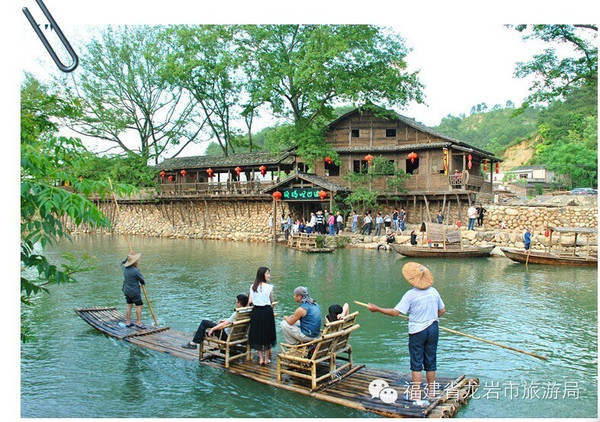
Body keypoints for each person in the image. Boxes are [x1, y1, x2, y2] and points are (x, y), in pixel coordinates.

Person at [367, 262, 446, 401]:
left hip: (418, 331)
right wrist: (430, 316)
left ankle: (416, 393)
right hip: (433, 328)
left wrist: (377, 308)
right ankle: (431, 391)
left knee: (416, 361)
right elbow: (442, 310)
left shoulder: (411, 295)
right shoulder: (434, 291)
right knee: (430, 359)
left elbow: (395, 312)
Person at [182, 294, 249, 349]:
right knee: (206, 328)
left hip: (226, 335)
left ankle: (193, 343)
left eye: (236, 302)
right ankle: (200, 334)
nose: (235, 303)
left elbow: (224, 325)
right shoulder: (246, 312)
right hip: (238, 336)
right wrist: (225, 320)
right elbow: (232, 321)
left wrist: (213, 329)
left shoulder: (236, 313)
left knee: (204, 322)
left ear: (239, 303)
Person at [248, 267, 276, 365]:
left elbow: (250, 301)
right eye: (267, 273)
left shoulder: (253, 286)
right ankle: (266, 358)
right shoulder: (269, 287)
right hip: (267, 312)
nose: (269, 275)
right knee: (268, 334)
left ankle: (260, 358)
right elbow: (271, 300)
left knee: (258, 334)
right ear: (262, 275)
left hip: (256, 312)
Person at [121, 252, 146, 329]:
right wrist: (139, 270)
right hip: (134, 291)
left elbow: (122, 262)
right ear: (134, 262)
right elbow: (142, 281)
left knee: (129, 305)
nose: (137, 261)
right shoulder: (135, 271)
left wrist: (128, 256)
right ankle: (139, 323)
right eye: (136, 261)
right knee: (139, 306)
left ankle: (128, 322)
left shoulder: (124, 268)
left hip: (126, 290)